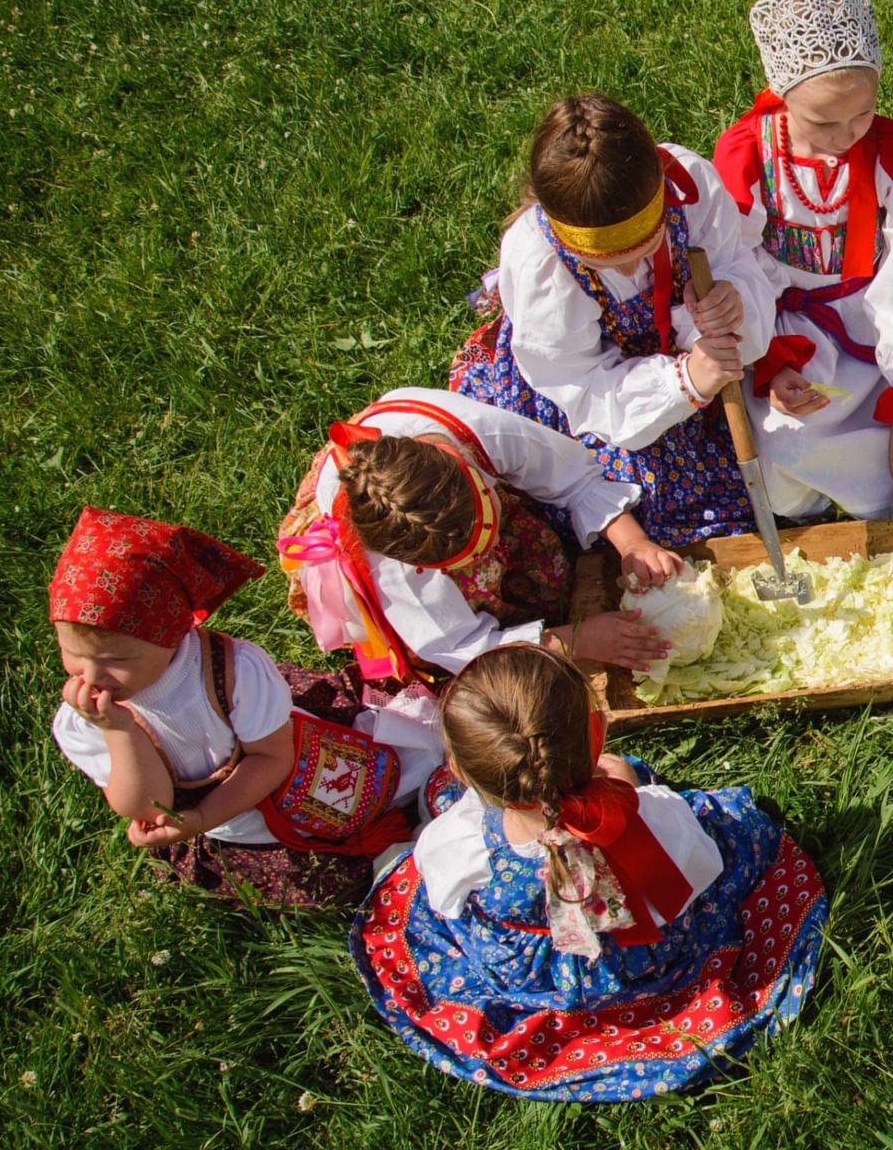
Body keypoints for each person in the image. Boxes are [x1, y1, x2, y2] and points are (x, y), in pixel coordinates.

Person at [349, 646, 827, 1100]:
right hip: (642, 962)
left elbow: (443, 901)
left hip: (538, 982)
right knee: (728, 829)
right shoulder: (652, 825)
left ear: (458, 768)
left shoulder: (459, 841)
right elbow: (701, 867)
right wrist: (628, 784)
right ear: (596, 736)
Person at [50, 509, 439, 910]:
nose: (93, 675)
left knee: (401, 774)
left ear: (173, 635)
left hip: (273, 770)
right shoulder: (85, 720)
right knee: (325, 885)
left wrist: (206, 814)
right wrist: (120, 732)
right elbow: (150, 808)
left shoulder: (229, 672)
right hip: (229, 824)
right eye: (74, 654)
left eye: (118, 660)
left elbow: (272, 757)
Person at [449, 93, 772, 545]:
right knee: (643, 507)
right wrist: (683, 382)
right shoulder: (542, 265)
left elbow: (733, 259)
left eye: (640, 251)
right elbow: (577, 380)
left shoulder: (689, 186)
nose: (625, 271)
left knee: (777, 456)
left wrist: (730, 300)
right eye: (603, 263)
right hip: (603, 393)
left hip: (694, 356)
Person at [713, 0, 893, 519]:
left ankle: (891, 460)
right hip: (787, 326)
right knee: (784, 448)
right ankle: (818, 502)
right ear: (783, 96)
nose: (848, 135)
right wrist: (772, 361)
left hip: (883, 322)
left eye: (863, 113)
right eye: (823, 121)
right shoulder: (749, 154)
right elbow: (737, 264)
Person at [276, 388, 674, 686]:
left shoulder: (481, 433)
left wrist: (632, 542)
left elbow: (573, 477)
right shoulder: (391, 568)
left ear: (476, 475)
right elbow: (459, 646)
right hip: (379, 562)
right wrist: (571, 640)